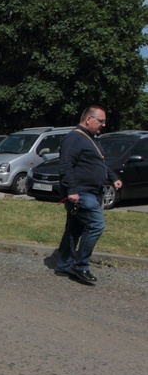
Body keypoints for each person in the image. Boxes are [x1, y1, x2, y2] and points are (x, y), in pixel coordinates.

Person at [55, 106, 122, 284]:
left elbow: (99, 163)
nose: (104, 124)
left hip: (90, 192)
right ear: (88, 120)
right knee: (96, 225)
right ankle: (80, 265)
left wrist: (113, 178)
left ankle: (63, 264)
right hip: (81, 193)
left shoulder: (89, 139)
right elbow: (66, 166)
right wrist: (72, 191)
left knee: (73, 230)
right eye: (101, 121)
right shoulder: (74, 138)